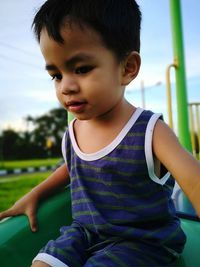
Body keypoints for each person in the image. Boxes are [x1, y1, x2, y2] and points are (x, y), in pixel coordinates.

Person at [0, 0, 200, 266]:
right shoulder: (72, 133)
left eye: (81, 69)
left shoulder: (149, 131)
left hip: (143, 241)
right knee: (42, 263)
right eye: (56, 75)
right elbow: (71, 169)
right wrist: (35, 193)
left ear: (127, 67)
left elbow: (194, 179)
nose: (66, 86)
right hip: (85, 232)